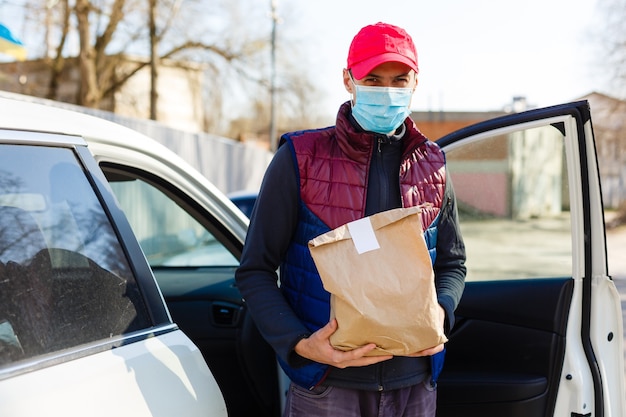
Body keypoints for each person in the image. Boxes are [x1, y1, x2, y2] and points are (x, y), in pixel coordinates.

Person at [235, 22, 466, 417]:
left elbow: (452, 263)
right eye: (372, 78)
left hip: (414, 384)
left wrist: (440, 313)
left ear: (415, 82)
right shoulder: (300, 159)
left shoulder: (434, 165)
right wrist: (301, 343)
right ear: (348, 79)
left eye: (399, 79)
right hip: (329, 387)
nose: (387, 91)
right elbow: (254, 271)